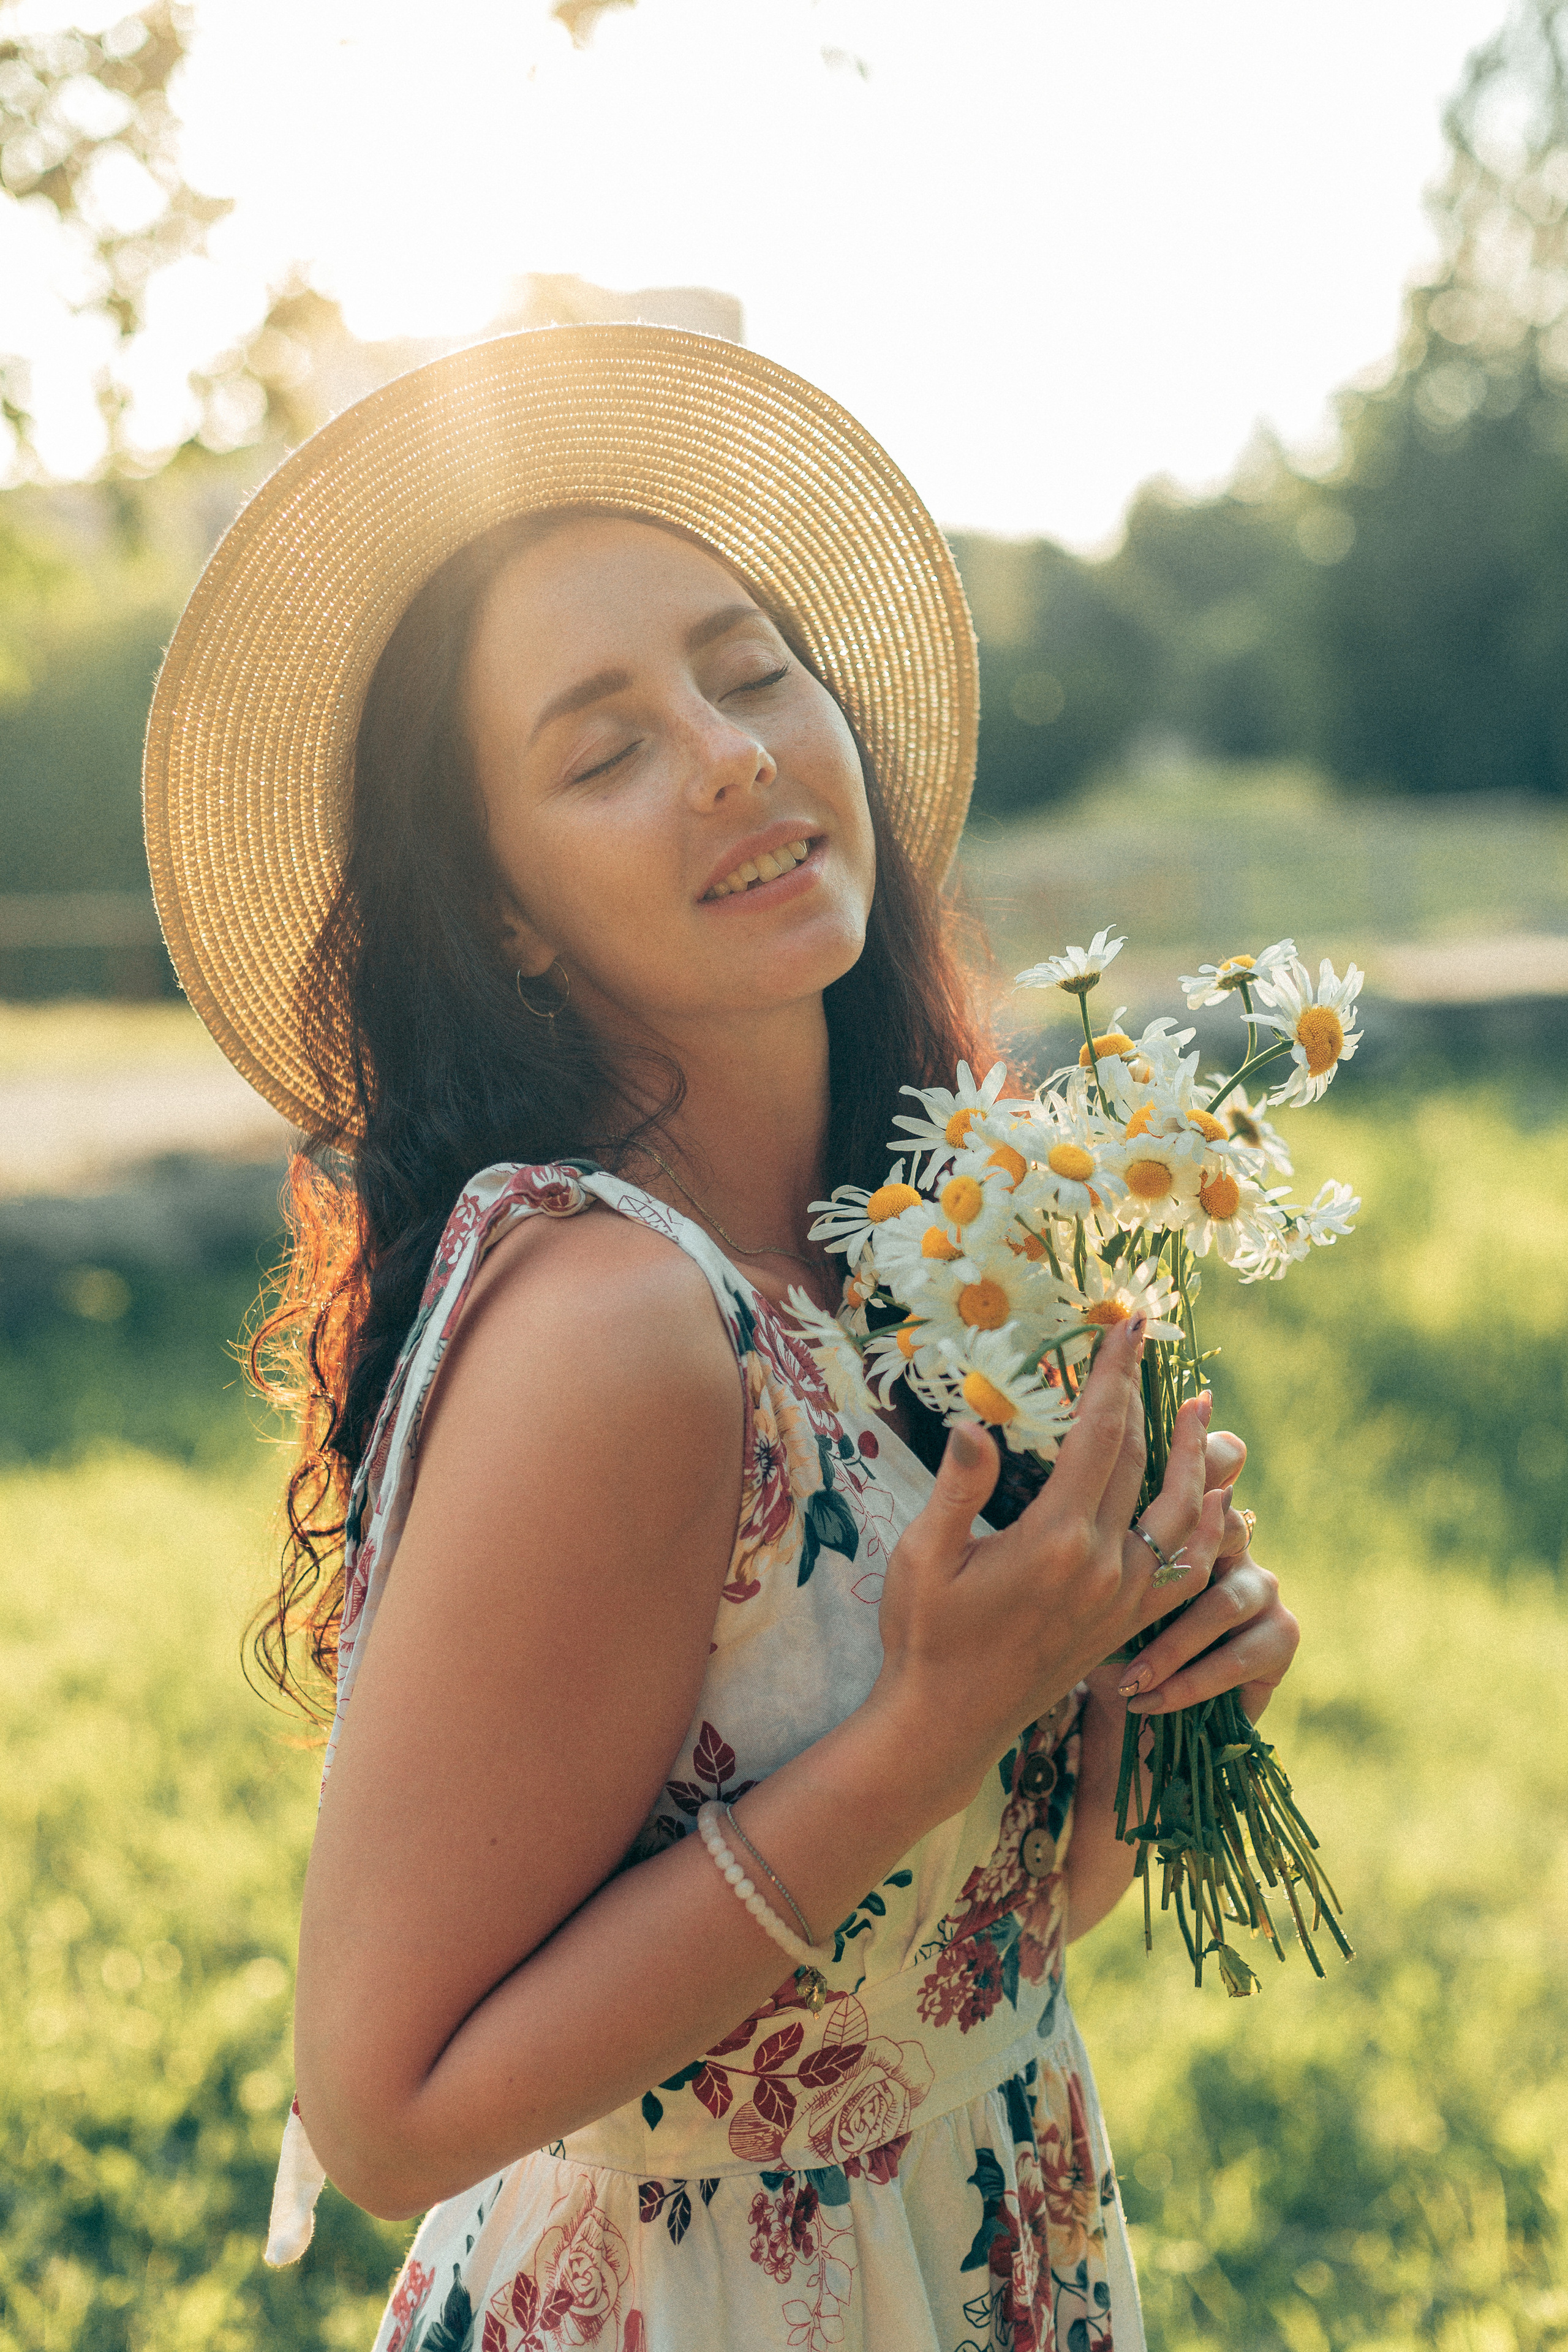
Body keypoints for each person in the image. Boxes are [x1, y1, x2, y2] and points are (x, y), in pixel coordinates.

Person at [143, 326, 1299, 2352]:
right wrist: (935, 1721)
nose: (735, 749)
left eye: (751, 667)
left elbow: (930, 1982)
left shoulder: (925, 1251)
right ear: (504, 912)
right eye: (603, 749)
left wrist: (1149, 1693)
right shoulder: (619, 1328)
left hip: (978, 2241)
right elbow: (384, 2109)